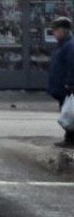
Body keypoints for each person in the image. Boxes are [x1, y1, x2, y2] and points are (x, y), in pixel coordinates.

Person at [48, 16, 74, 145]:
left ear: (64, 30)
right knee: (67, 113)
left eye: (55, 30)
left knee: (69, 113)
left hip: (67, 87)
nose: (53, 32)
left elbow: (72, 65)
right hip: (62, 87)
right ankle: (69, 138)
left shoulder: (70, 46)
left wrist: (70, 84)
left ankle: (70, 139)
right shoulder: (63, 45)